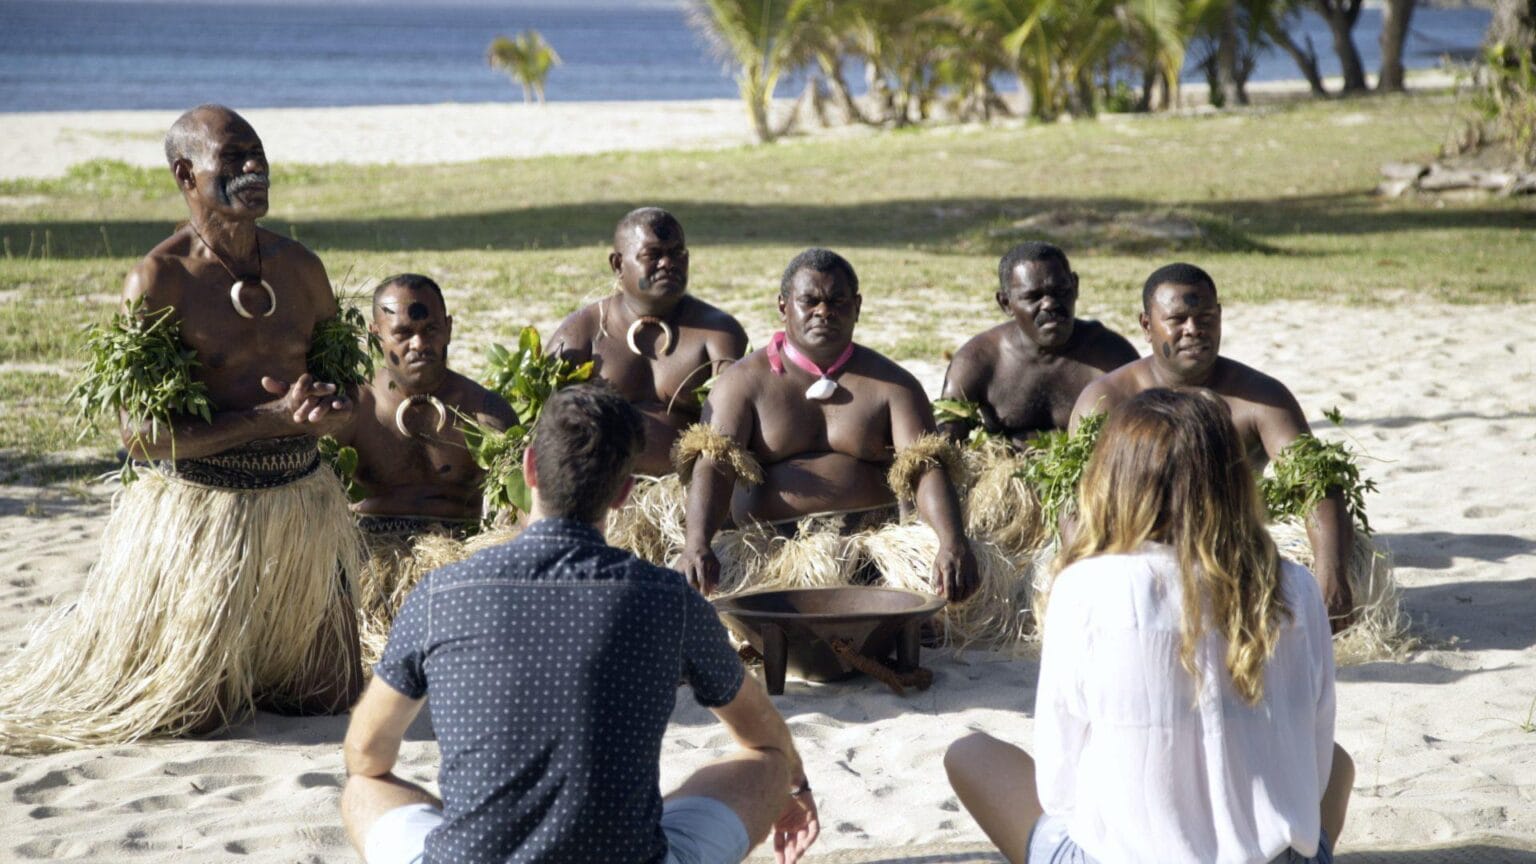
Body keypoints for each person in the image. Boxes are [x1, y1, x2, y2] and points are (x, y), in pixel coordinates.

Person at [0, 104, 363, 754]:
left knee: (330, 698)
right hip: (208, 516)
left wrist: (329, 414)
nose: (254, 168)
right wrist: (269, 420)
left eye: (257, 152)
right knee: (197, 713)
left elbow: (350, 395)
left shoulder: (302, 269)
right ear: (184, 174)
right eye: (232, 158)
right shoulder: (158, 280)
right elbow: (140, 435)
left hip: (299, 511)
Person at [340, 383, 819, 864]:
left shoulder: (441, 595)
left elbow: (366, 754)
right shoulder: (668, 599)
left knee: (363, 788)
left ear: (529, 467)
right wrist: (792, 785)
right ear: (624, 492)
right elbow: (760, 733)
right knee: (768, 765)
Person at [946, 388, 1354, 864]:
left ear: (1116, 480)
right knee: (1340, 764)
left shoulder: (1085, 587)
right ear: (1232, 479)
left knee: (969, 754)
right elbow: (1317, 765)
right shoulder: (1295, 586)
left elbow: (1059, 789)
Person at [676, 248, 979, 602]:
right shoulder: (742, 383)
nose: (824, 311)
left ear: (858, 306)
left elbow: (926, 467)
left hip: (871, 556)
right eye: (810, 301)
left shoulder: (893, 385)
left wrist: (950, 541)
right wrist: (697, 544)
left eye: (837, 301)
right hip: (764, 555)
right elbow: (714, 464)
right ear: (783, 306)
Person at [1070, 263, 1354, 627]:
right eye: (1178, 319)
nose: (1193, 330)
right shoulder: (1108, 398)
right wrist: (1084, 574)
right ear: (1146, 325)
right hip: (1139, 547)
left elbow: (1316, 483)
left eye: (1205, 316)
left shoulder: (1260, 398)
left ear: (1219, 316)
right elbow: (1074, 494)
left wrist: (1331, 574)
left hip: (1234, 541)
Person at [332, 273, 515, 661]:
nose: (419, 344)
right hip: (372, 565)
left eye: (430, 329)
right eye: (402, 332)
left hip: (456, 562)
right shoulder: (355, 407)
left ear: (448, 328)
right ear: (376, 334)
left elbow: (521, 507)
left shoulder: (485, 410)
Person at [550, 207, 748, 477]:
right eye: (652, 255)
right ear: (618, 264)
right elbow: (541, 418)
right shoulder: (582, 331)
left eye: (677, 253)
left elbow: (734, 428)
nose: (668, 263)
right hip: (595, 494)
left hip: (690, 493)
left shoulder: (719, 332)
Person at [939, 242, 1137, 446]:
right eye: (1033, 297)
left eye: (1060, 291)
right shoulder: (978, 360)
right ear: (1006, 303)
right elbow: (945, 443)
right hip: (1002, 473)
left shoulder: (1112, 356)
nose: (1050, 304)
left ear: (1075, 286)